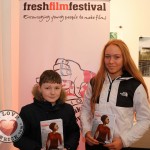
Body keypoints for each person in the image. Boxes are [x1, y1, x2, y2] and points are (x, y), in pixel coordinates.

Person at [80, 39, 150, 150]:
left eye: (117, 57)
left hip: (119, 147)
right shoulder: (95, 82)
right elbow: (85, 110)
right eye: (107, 56)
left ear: (124, 58)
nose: (111, 61)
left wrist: (124, 140)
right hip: (93, 145)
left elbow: (145, 119)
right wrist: (87, 131)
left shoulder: (135, 85)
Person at [13, 70, 80, 150]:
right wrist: (37, 148)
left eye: (57, 88)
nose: (52, 92)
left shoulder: (68, 109)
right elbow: (17, 138)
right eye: (47, 88)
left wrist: (68, 147)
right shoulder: (27, 111)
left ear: (61, 88)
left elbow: (74, 133)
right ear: (39, 88)